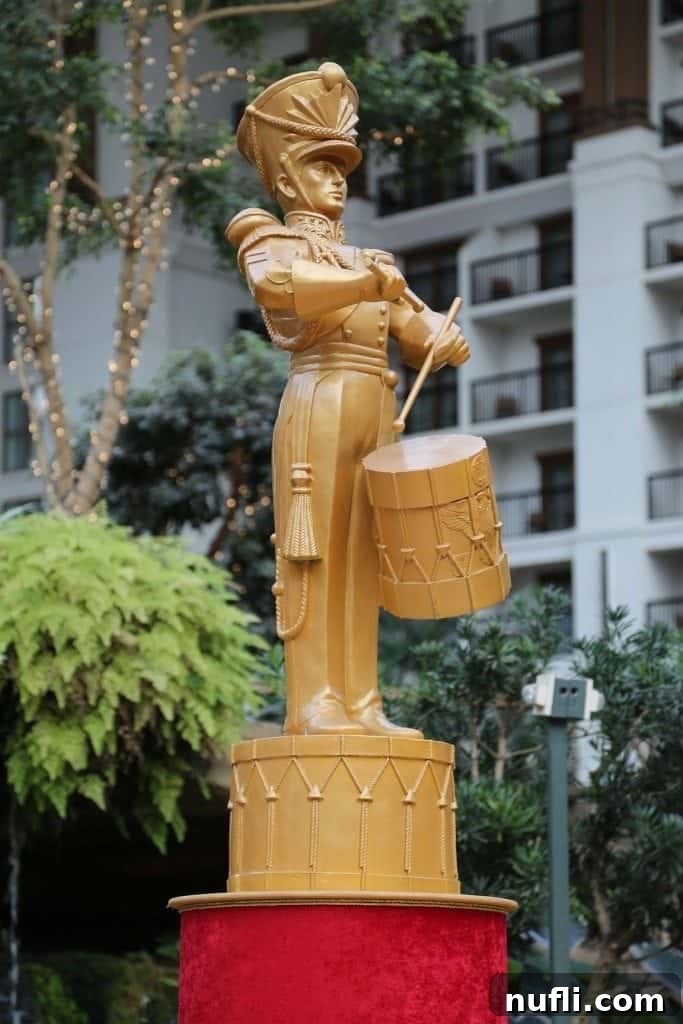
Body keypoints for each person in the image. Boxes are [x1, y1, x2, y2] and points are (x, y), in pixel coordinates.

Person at [227, 62, 469, 736]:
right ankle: (315, 702)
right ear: (283, 179)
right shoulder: (267, 238)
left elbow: (413, 332)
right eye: (319, 165)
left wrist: (438, 339)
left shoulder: (369, 260)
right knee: (316, 558)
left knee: (365, 562)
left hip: (374, 409)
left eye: (341, 166)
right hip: (320, 401)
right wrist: (368, 283)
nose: (337, 177)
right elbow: (282, 290)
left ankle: (363, 702)